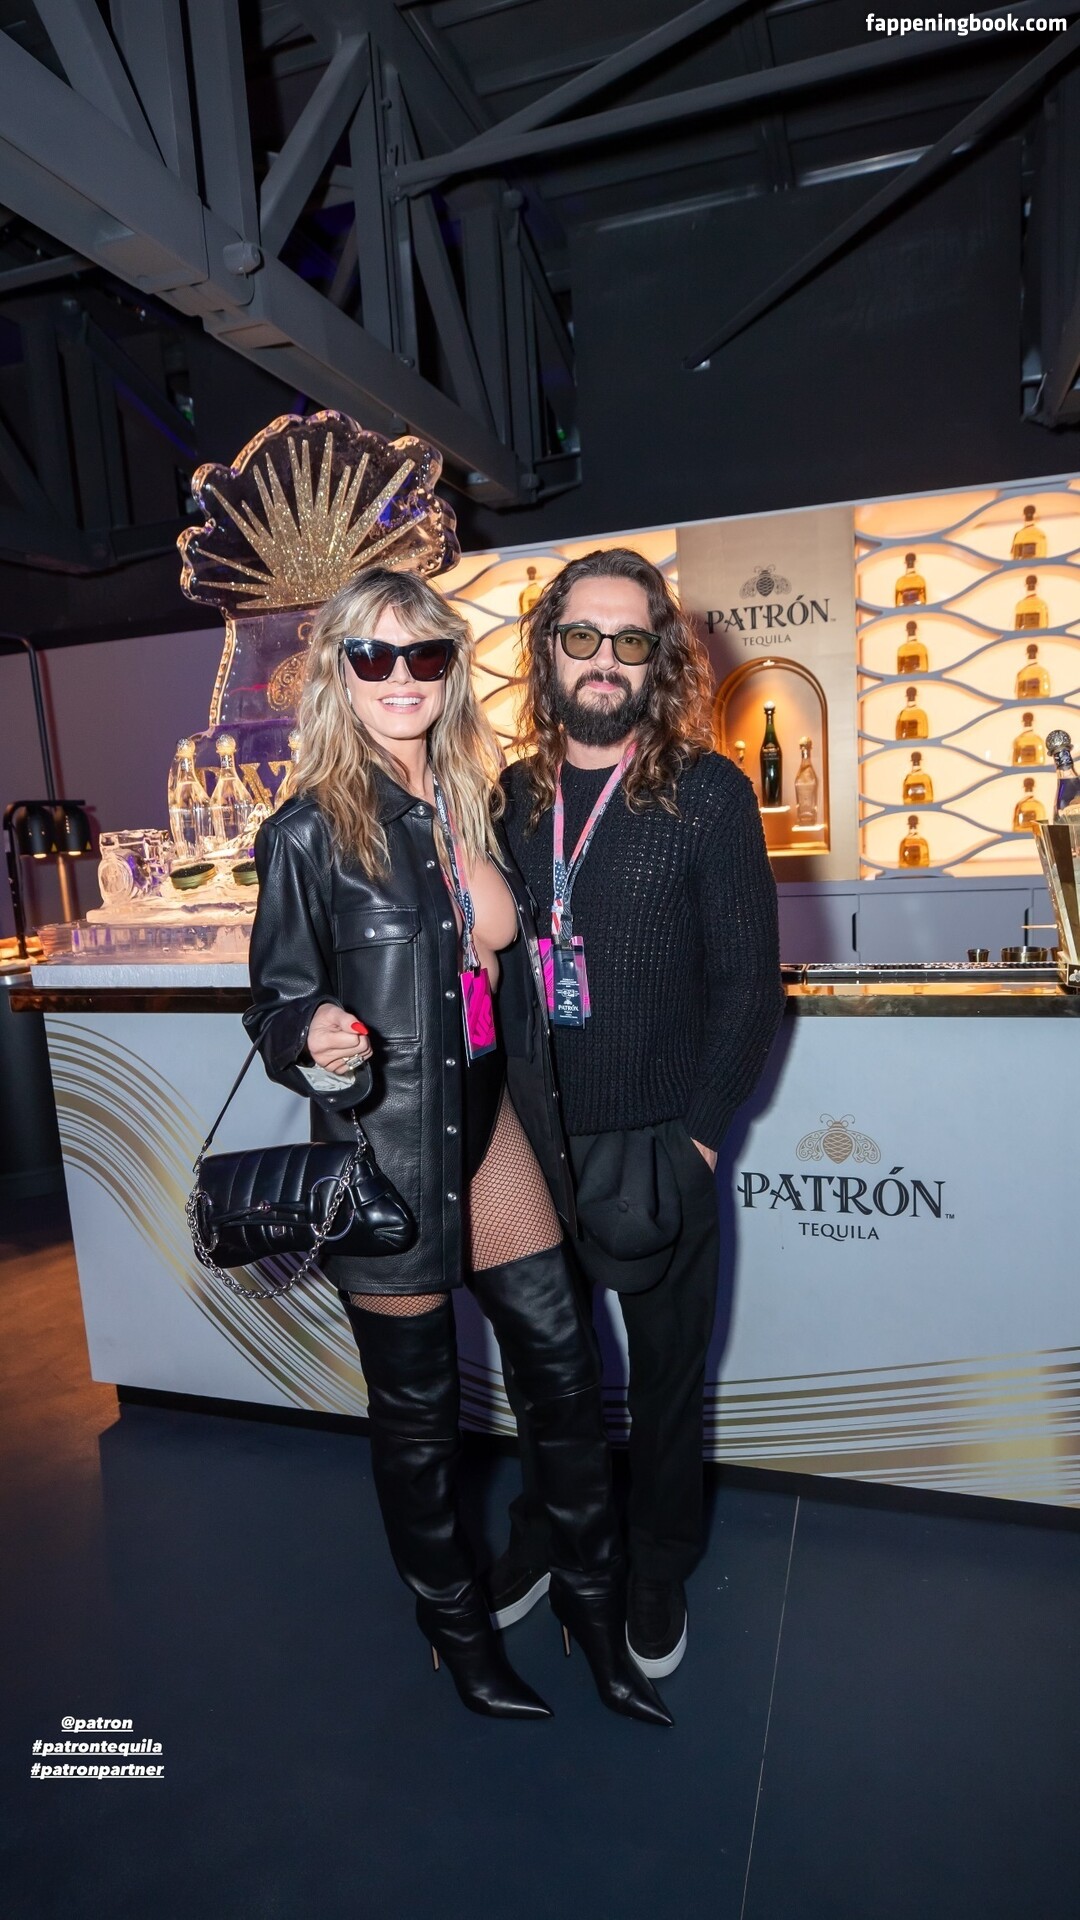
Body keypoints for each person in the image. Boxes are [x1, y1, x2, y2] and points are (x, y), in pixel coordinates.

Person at [242, 564, 670, 1726]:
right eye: (372, 655)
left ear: (450, 670)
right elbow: (274, 1002)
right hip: (386, 1153)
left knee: (566, 1374)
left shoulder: (470, 800)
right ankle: (457, 1628)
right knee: (420, 1420)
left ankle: (593, 1608)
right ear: (337, 673)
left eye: (423, 654)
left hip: (489, 1124)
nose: (401, 677)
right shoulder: (307, 831)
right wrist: (309, 1035)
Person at [489, 546, 784, 1680]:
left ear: (658, 656)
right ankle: (547, 1530)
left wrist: (698, 1138)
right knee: (544, 1373)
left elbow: (748, 988)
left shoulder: (707, 793)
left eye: (630, 639)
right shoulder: (506, 797)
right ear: (549, 650)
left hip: (660, 1140)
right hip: (527, 1142)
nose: (604, 659)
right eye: (582, 637)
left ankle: (657, 1559)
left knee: (663, 1378)